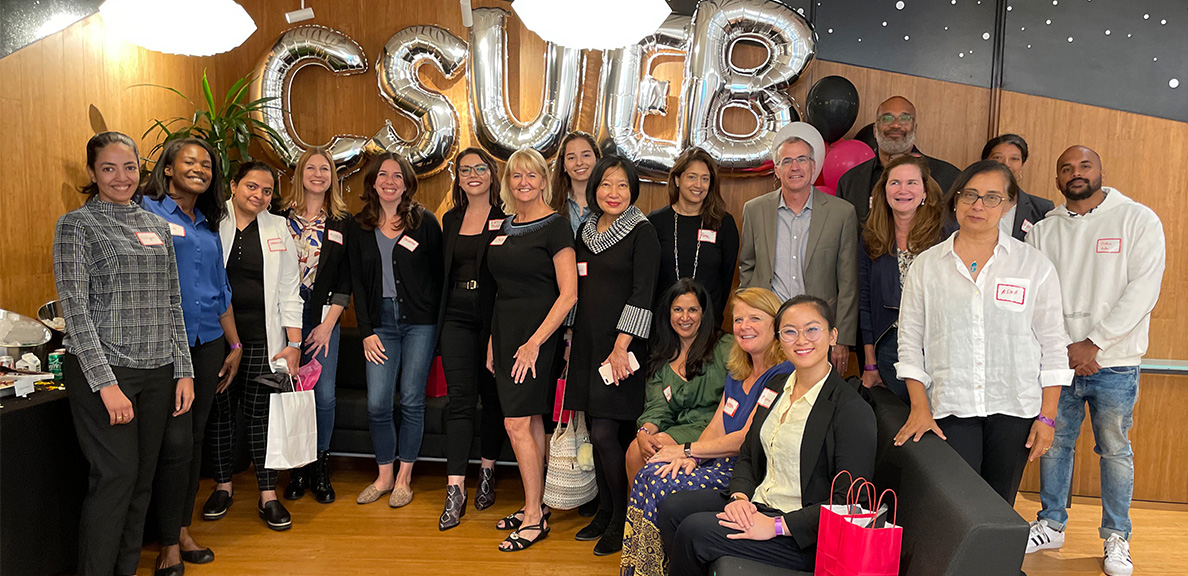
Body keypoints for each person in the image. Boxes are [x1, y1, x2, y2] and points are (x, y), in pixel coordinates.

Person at [54, 131, 195, 576]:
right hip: (106, 373)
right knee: (114, 480)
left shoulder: (155, 224)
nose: (121, 177)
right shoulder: (76, 226)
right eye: (109, 168)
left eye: (129, 167)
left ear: (141, 170)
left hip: (158, 372)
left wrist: (184, 370)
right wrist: (106, 385)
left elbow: (173, 301)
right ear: (93, 173)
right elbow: (73, 308)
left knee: (140, 483)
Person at [894, 160, 1073, 507]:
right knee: (956, 506)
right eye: (970, 195)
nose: (978, 206)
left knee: (999, 506)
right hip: (951, 406)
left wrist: (1047, 417)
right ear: (956, 200)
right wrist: (919, 407)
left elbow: (1053, 344)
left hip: (1014, 407)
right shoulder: (928, 266)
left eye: (992, 198)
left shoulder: (1033, 266)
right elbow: (910, 342)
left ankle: (997, 565)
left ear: (1007, 205)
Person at [657, 295, 877, 576]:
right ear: (779, 339)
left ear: (832, 336)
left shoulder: (850, 409)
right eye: (789, 331)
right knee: (673, 507)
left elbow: (850, 503)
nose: (801, 340)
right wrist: (739, 498)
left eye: (812, 329)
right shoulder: (777, 384)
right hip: (760, 501)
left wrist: (774, 526)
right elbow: (749, 453)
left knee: (694, 531)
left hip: (804, 533)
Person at [1024, 146, 1166, 576]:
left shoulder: (1138, 220)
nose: (1075, 173)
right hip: (1058, 361)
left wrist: (1095, 343)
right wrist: (1066, 347)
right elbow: (1035, 297)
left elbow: (1143, 291)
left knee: (1115, 450)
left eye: (1084, 166)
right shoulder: (1042, 232)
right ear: (1056, 181)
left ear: (1101, 171)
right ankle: (1051, 523)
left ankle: (1117, 536)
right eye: (1065, 167)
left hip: (1116, 363)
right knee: (1054, 444)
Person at [621, 287, 793, 576]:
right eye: (738, 320)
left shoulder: (780, 373)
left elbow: (744, 439)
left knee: (661, 484)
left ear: (775, 324)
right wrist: (692, 459)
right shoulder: (740, 369)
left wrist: (687, 450)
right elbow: (716, 425)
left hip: (746, 472)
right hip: (719, 461)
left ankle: (659, 569)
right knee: (650, 472)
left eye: (755, 318)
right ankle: (643, 570)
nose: (744, 327)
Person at [141, 138, 240, 572]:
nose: (201, 168)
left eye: (207, 164)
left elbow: (221, 292)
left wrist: (234, 345)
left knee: (195, 439)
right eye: (191, 161)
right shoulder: (146, 212)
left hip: (208, 342)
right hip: (165, 346)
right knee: (175, 441)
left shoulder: (205, 223)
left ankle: (181, 529)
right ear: (167, 169)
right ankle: (165, 543)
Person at [564, 155, 661, 556]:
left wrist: (622, 346)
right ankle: (605, 512)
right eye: (606, 184)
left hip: (623, 348)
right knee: (594, 430)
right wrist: (570, 340)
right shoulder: (585, 230)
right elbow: (575, 289)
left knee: (608, 434)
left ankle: (622, 518)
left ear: (633, 190)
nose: (614, 193)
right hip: (587, 345)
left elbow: (644, 292)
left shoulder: (642, 231)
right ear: (594, 188)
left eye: (622, 185)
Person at [486, 147, 578, 551]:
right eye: (516, 176)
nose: (523, 183)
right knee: (532, 423)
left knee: (516, 424)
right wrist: (494, 341)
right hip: (506, 335)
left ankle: (534, 518)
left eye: (532, 176)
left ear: (544, 180)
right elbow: (503, 291)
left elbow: (569, 294)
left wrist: (534, 344)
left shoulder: (556, 226)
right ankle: (533, 506)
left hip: (536, 340)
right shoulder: (505, 224)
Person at [206, 161, 303, 531]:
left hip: (264, 339)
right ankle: (223, 486)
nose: (258, 196)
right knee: (221, 413)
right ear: (232, 185)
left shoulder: (278, 228)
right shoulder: (212, 221)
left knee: (262, 416)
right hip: (218, 338)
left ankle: (267, 495)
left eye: (266, 191)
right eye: (251, 187)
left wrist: (294, 342)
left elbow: (289, 292)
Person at [348, 152, 444, 508]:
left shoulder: (425, 222)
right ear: (373, 182)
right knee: (377, 404)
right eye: (383, 175)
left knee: (413, 401)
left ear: (407, 183)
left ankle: (404, 477)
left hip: (420, 323)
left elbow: (439, 276)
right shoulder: (359, 226)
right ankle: (384, 474)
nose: (390, 181)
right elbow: (357, 282)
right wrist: (367, 330)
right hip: (380, 326)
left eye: (397, 176)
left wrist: (438, 327)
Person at [738, 121, 859, 374]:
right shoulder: (754, 209)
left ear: (813, 167)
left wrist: (843, 339)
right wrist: (749, 318)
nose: (795, 167)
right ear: (777, 170)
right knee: (767, 398)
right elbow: (747, 267)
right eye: (786, 161)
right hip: (768, 328)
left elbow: (848, 282)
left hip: (815, 331)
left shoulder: (841, 213)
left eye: (802, 160)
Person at [437, 147, 509, 530]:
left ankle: (487, 471)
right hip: (455, 319)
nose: (473, 174)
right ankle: (455, 489)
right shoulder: (449, 219)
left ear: (491, 175)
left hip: (492, 320)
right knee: (460, 401)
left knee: (492, 397)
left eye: (480, 168)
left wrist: (498, 332)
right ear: (459, 178)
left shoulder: (507, 220)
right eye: (466, 170)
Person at [279, 147, 352, 505]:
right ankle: (299, 467)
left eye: (325, 169)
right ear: (300, 173)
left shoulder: (341, 221)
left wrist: (326, 327)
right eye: (312, 167)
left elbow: (345, 281)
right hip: (284, 318)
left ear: (332, 177)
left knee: (323, 395)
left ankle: (321, 465)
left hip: (325, 318)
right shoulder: (278, 216)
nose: (319, 174)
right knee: (293, 393)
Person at [625, 279, 732, 483]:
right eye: (678, 310)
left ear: (703, 313)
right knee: (636, 449)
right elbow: (657, 408)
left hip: (717, 427)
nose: (685, 317)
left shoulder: (725, 347)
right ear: (669, 314)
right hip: (680, 427)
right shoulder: (662, 356)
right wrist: (644, 431)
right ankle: (638, 513)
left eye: (692, 309)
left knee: (657, 445)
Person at [857, 155, 944, 404]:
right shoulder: (872, 235)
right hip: (890, 348)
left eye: (911, 183)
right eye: (894, 183)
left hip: (936, 345)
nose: (903, 190)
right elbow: (866, 303)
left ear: (925, 190)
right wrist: (870, 362)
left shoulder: (945, 234)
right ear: (884, 191)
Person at [648, 147, 739, 324]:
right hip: (663, 324)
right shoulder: (655, 221)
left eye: (705, 179)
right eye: (692, 177)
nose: (698, 184)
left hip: (707, 323)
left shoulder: (723, 223)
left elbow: (726, 279)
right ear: (677, 179)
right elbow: (649, 279)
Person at [836, 96, 961, 223]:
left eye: (905, 118)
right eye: (886, 118)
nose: (895, 125)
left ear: (915, 129)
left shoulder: (950, 178)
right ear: (875, 130)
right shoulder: (849, 182)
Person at [980, 133, 1055, 240]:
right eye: (997, 157)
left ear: (1022, 165)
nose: (1006, 164)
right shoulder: (969, 202)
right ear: (984, 163)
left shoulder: (1041, 209)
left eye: (1014, 159)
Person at [549, 131, 602, 235]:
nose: (579, 163)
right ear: (564, 165)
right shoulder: (549, 202)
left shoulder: (610, 201)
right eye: (571, 158)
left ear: (597, 159)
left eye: (586, 155)